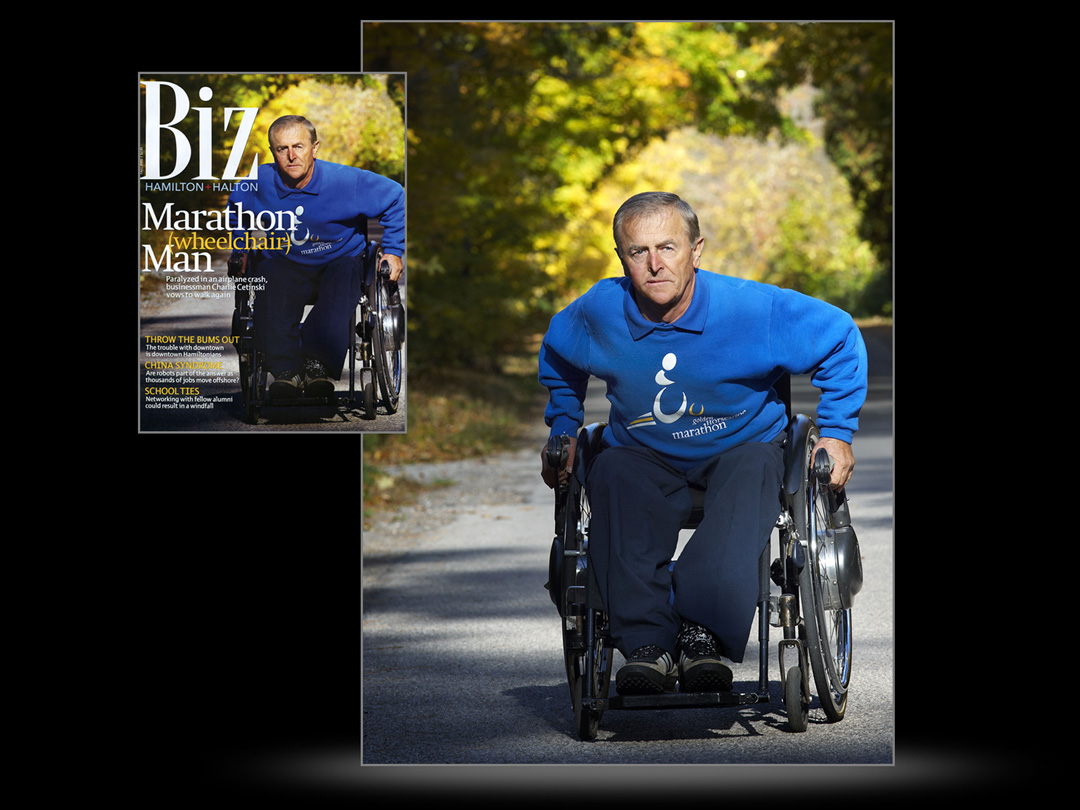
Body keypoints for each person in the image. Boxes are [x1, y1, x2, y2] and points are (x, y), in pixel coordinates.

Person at [539, 192, 866, 695]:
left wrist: (839, 432)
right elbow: (559, 354)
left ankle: (701, 632)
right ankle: (648, 643)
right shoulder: (600, 311)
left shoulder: (752, 309)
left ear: (697, 249)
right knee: (609, 472)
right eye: (637, 251)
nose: (654, 264)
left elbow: (841, 338)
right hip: (644, 452)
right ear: (621, 257)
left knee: (758, 468)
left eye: (668, 247)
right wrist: (564, 426)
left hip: (742, 446)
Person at [227, 115, 405, 399]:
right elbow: (237, 208)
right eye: (281, 149)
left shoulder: (346, 181)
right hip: (285, 261)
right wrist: (242, 246)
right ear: (273, 152)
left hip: (340, 259)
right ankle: (286, 371)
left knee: (346, 272)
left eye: (298, 146)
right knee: (268, 275)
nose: (291, 156)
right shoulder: (258, 182)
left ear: (315, 147)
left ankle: (316, 364)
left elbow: (396, 196)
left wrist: (394, 250)